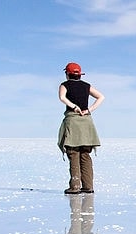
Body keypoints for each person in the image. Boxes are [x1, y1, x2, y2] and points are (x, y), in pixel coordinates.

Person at [58, 62, 104, 194]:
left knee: (73, 153)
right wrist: (89, 110)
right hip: (86, 122)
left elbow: (62, 97)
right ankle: (88, 186)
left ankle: (75, 186)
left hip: (73, 121)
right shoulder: (86, 86)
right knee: (85, 154)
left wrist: (73, 107)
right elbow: (101, 97)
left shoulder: (64, 85)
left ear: (67, 74)